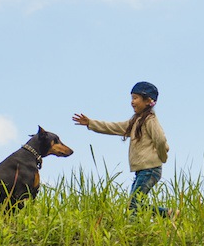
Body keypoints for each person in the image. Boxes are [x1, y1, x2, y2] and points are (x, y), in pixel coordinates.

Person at [73, 81, 172, 218]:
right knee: (133, 206)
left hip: (150, 170)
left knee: (133, 205)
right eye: (132, 98)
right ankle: (162, 217)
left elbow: (160, 140)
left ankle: (165, 215)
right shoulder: (136, 121)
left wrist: (163, 157)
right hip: (143, 170)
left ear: (148, 101)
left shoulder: (150, 120)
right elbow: (113, 127)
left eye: (136, 98)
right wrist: (91, 123)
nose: (132, 102)